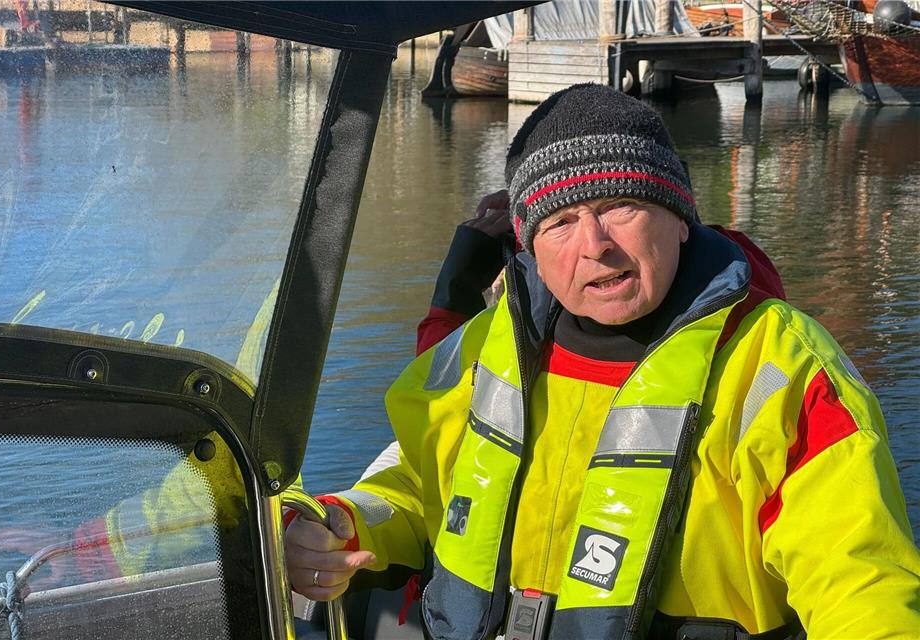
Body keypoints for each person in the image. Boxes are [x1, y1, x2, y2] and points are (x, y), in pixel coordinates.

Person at [284, 83, 920, 639]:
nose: (596, 247)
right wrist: (342, 524)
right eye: (559, 222)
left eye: (621, 205)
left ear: (679, 219)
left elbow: (859, 582)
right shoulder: (482, 347)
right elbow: (422, 488)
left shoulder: (780, 366)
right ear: (528, 247)